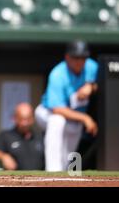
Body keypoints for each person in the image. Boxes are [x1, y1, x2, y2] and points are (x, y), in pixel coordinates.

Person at [35, 40, 98, 172]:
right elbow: (57, 109)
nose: (80, 61)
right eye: (76, 57)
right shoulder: (58, 74)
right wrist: (86, 118)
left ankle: (61, 176)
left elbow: (104, 82)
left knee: (67, 158)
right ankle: (52, 171)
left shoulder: (92, 67)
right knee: (57, 121)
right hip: (47, 112)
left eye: (83, 58)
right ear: (67, 57)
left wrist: (91, 86)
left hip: (74, 119)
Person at [0, 103, 45, 170]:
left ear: (33, 119)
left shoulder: (41, 136)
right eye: (22, 119)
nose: (25, 123)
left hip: (39, 178)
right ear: (15, 118)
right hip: (15, 178)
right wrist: (3, 156)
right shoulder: (5, 136)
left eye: (28, 119)